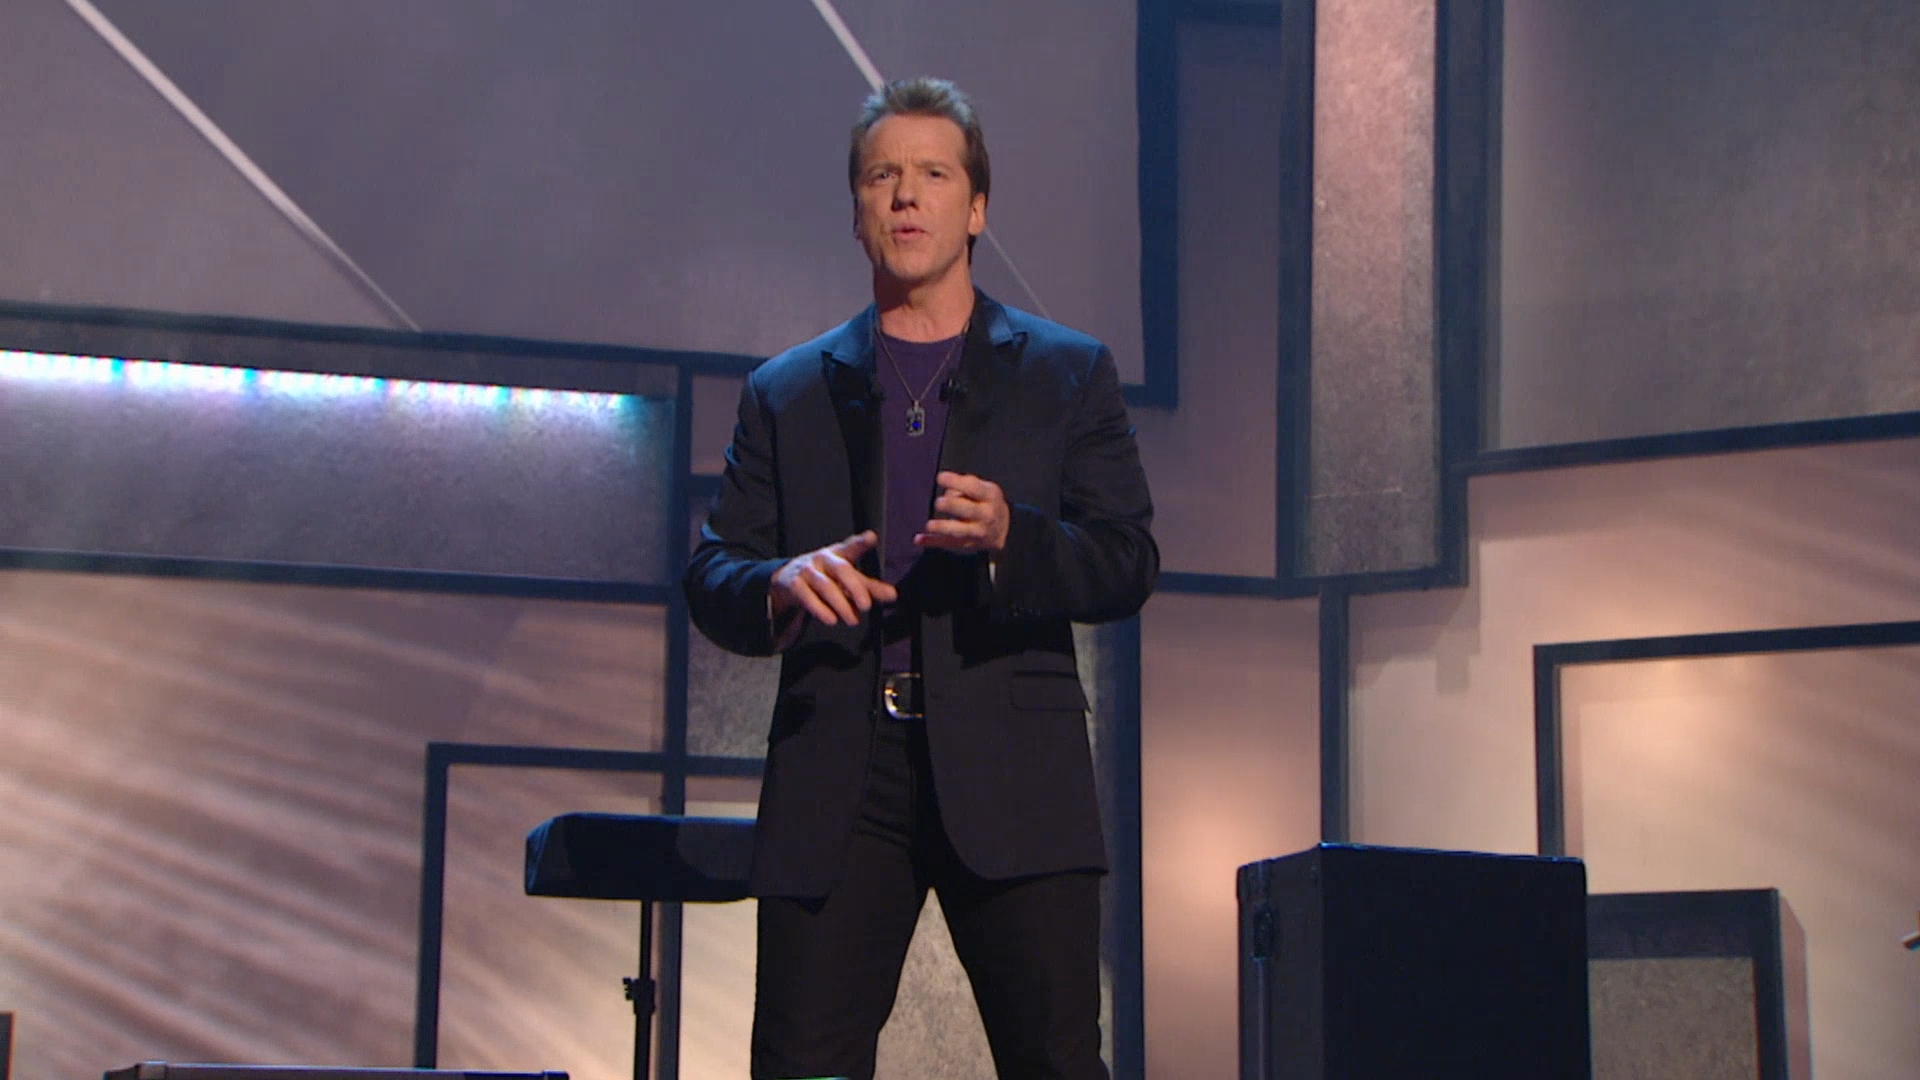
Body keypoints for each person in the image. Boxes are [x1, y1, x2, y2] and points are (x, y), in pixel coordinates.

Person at [684, 76, 1157, 1080]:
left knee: (1057, 1062)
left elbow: (1127, 559)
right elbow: (713, 570)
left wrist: (1015, 538)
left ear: (975, 207)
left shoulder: (1067, 373)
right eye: (882, 177)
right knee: (802, 1063)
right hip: (840, 778)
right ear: (856, 211)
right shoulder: (787, 391)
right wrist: (780, 582)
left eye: (933, 174)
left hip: (1015, 769)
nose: (906, 195)